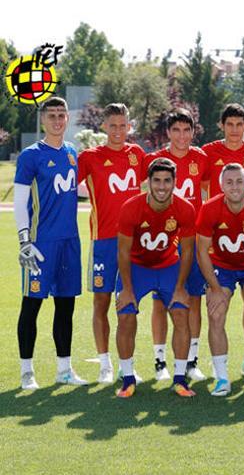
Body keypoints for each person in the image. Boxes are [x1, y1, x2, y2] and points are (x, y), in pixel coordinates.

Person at [15, 96, 87, 389]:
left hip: (70, 241)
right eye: (52, 115)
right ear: (43, 119)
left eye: (62, 114)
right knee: (31, 305)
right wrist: (24, 241)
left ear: (68, 119)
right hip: (41, 244)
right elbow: (21, 201)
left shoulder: (72, 152)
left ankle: (64, 370)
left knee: (65, 306)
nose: (57, 120)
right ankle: (26, 371)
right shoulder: (31, 155)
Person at [115, 158, 197, 398]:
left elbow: (188, 250)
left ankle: (180, 379)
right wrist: (127, 289)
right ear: (148, 182)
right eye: (157, 181)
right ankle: (128, 378)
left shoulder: (184, 208)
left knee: (181, 313)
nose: (162, 186)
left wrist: (181, 286)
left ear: (175, 182)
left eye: (167, 181)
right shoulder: (131, 207)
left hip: (168, 266)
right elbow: (123, 251)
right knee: (126, 314)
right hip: (136, 267)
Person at [77, 103, 146, 383]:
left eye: (123, 125)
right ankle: (104, 363)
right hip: (103, 241)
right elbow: (67, 188)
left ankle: (126, 364)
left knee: (128, 303)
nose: (118, 130)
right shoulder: (90, 157)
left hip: (134, 243)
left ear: (129, 126)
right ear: (103, 126)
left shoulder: (138, 154)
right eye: (113, 125)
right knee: (101, 302)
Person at [195, 163, 244, 396]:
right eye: (229, 182)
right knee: (216, 312)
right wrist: (215, 287)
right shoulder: (210, 209)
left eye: (239, 181)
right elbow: (202, 251)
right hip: (221, 266)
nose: (235, 186)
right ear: (221, 185)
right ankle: (222, 378)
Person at [145, 108, 210, 381]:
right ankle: (160, 361)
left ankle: (191, 360)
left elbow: (205, 197)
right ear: (168, 132)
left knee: (193, 300)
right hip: (163, 244)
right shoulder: (155, 160)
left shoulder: (201, 158)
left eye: (187, 130)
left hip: (191, 242)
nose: (182, 136)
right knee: (160, 303)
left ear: (193, 132)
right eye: (176, 130)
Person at [202, 103, 244, 378]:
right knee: (213, 308)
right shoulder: (208, 152)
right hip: (218, 243)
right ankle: (207, 367)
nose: (235, 129)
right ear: (222, 125)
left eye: (240, 124)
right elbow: (202, 186)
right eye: (230, 124)